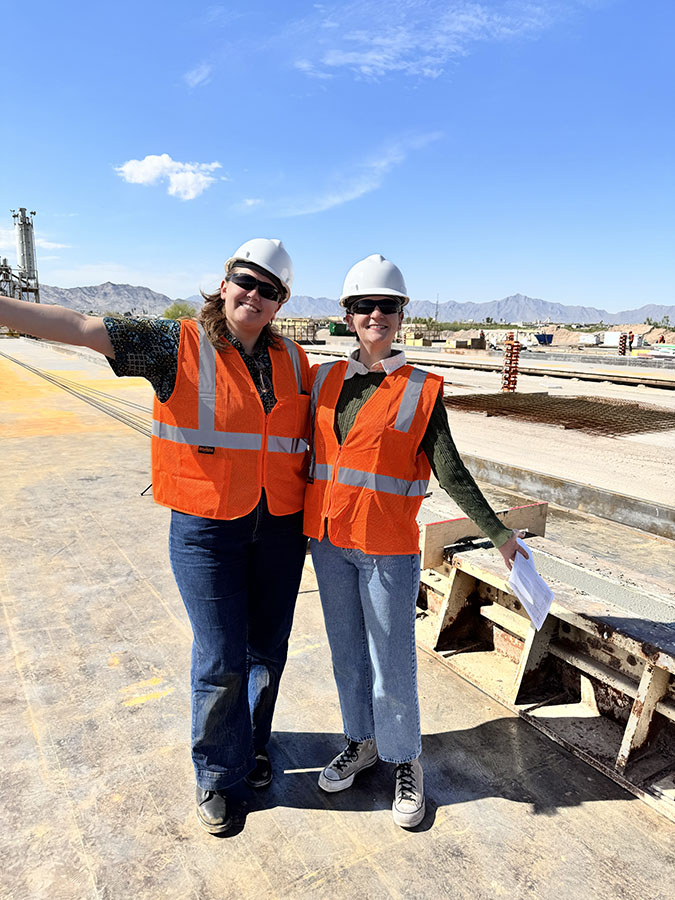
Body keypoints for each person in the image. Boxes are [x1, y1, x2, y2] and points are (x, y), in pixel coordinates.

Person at [0, 239, 311, 835]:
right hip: (206, 529)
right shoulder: (179, 345)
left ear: (281, 303)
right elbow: (81, 325)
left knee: (266, 652)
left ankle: (252, 745)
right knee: (221, 657)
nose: (255, 295)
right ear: (225, 284)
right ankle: (218, 774)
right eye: (247, 280)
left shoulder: (294, 361)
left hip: (277, 526)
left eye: (270, 290)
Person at [304, 254, 527, 828]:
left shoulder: (422, 389)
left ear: (402, 314)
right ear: (348, 315)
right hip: (328, 541)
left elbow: (449, 468)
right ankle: (362, 741)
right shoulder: (324, 380)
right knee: (347, 656)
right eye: (364, 306)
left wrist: (497, 532)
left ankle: (405, 757)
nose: (376, 315)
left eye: (388, 306)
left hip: (386, 547)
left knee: (392, 662)